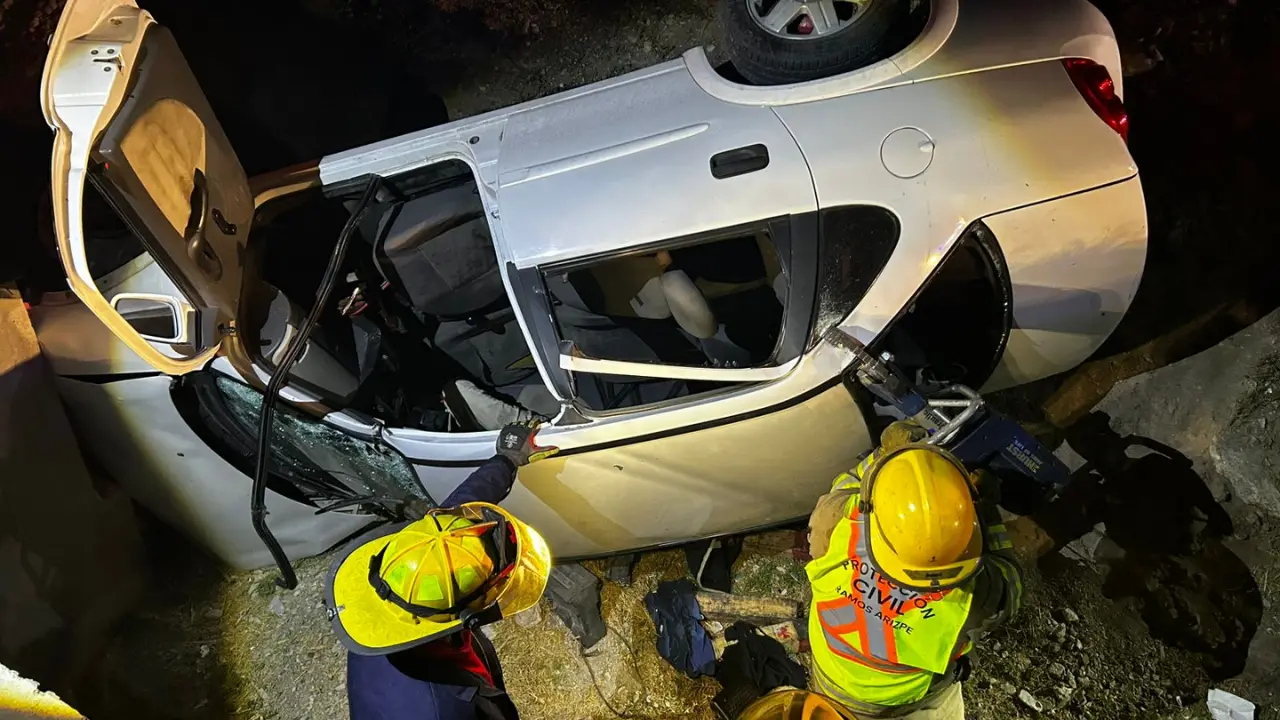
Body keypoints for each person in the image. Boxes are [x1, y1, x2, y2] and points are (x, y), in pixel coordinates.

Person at [324, 420, 559, 720]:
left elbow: (454, 520)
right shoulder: (442, 708)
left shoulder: (384, 604)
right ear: (466, 610)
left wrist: (506, 459)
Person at [804, 421, 1023, 719]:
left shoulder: (839, 525)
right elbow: (1011, 585)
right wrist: (986, 513)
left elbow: (849, 484)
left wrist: (882, 455)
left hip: (829, 680)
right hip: (903, 706)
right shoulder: (975, 594)